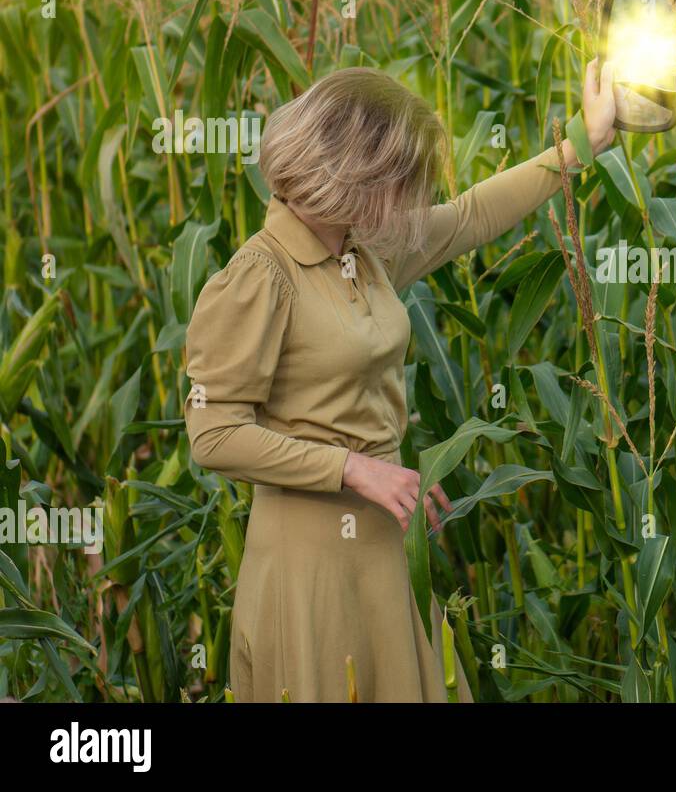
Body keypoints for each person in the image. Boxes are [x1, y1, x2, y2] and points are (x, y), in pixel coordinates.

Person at [183, 60, 616, 701]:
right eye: (402, 180)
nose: (411, 198)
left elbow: (469, 216)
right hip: (310, 567)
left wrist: (581, 144)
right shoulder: (262, 275)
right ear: (357, 175)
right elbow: (213, 435)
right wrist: (356, 469)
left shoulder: (364, 252)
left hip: (382, 547)